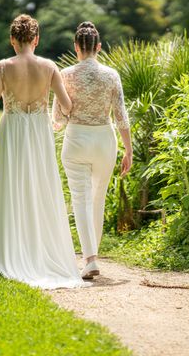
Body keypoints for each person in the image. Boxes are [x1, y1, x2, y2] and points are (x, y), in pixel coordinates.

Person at [0, 14, 86, 289]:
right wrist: (57, 118)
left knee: (11, 186)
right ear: (36, 39)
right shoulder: (49, 67)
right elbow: (67, 105)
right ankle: (41, 250)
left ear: (13, 40)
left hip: (12, 131)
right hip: (38, 131)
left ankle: (11, 250)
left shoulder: (2, 67)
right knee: (40, 186)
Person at [52, 21, 133, 280]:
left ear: (76, 47)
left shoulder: (65, 75)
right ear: (98, 47)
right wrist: (128, 150)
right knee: (97, 198)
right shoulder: (111, 75)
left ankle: (90, 259)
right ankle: (92, 257)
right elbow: (121, 116)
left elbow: (59, 120)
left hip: (76, 139)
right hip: (104, 141)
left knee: (81, 199)